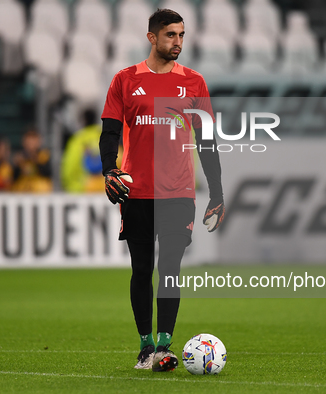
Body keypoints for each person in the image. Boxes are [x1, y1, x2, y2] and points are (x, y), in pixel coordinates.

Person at [99, 9, 225, 372]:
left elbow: (207, 142)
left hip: (179, 192)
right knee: (142, 269)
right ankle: (144, 345)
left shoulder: (195, 82)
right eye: (171, 35)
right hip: (137, 192)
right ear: (152, 37)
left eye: (182, 35)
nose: (178, 43)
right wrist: (110, 170)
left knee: (170, 267)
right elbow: (109, 133)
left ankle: (165, 346)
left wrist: (216, 193)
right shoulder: (125, 80)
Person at [62, 108, 106, 193]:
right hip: (106, 191)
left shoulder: (77, 140)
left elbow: (69, 167)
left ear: (83, 120)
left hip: (82, 191)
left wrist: (72, 187)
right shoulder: (107, 137)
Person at [12, 127, 52, 193]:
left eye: (33, 138)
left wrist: (34, 158)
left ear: (39, 140)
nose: (31, 142)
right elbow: (13, 178)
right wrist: (17, 165)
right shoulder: (20, 157)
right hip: (22, 195)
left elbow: (47, 173)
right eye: (28, 138)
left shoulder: (44, 156)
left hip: (40, 196)